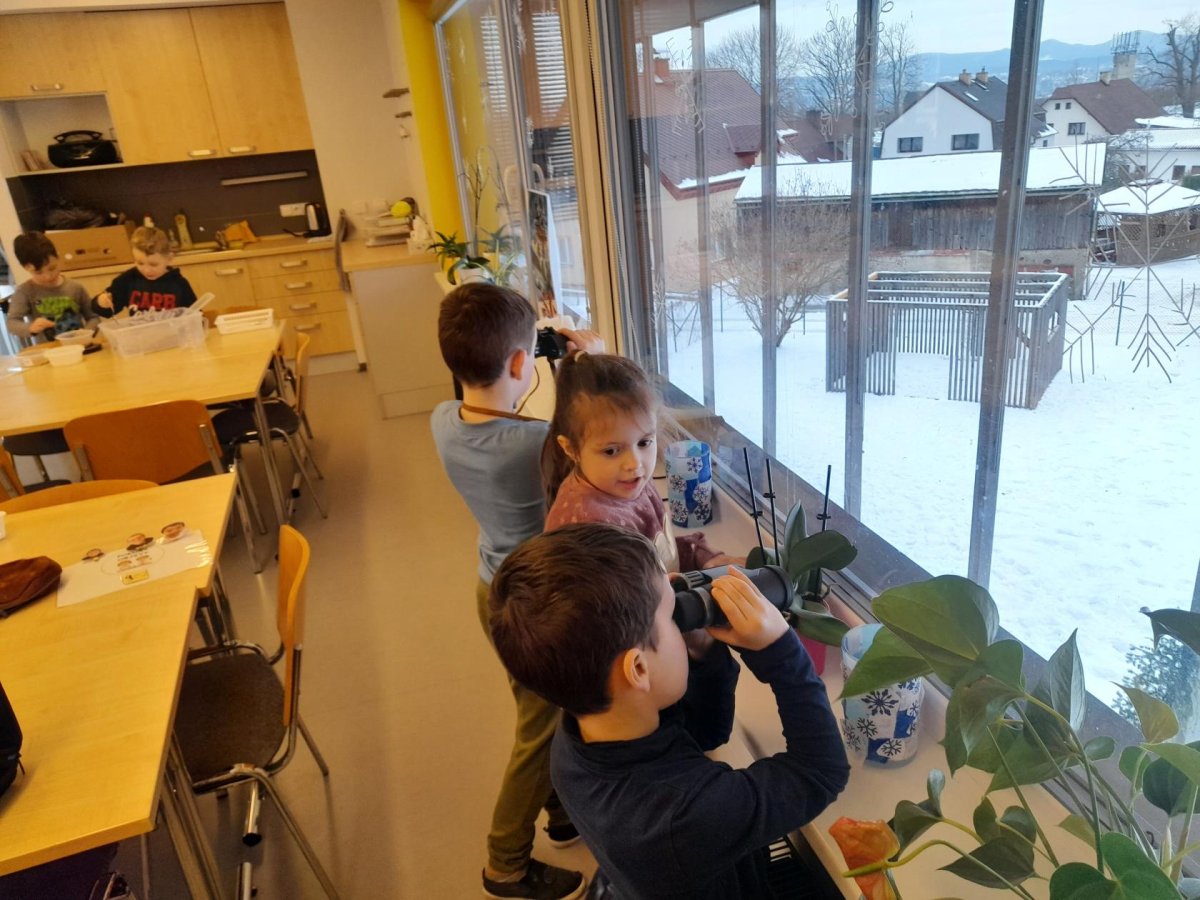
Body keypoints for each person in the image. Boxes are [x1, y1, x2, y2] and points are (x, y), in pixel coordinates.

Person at [489, 524, 851, 900]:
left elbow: (705, 736)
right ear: (638, 669)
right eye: (671, 615)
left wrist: (703, 652)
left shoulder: (579, 737)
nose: (682, 617)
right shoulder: (681, 817)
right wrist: (780, 651)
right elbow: (821, 773)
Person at [431, 282, 601, 900]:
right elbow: (578, 442)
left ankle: (559, 811)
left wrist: (535, 357)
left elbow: (517, 417)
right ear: (519, 361)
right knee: (541, 727)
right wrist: (583, 368)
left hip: (490, 586)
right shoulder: (530, 447)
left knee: (535, 704)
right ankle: (504, 863)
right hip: (535, 599)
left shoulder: (443, 421)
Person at [542, 351, 730, 573]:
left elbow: (658, 552)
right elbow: (636, 592)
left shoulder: (628, 483)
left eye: (644, 442)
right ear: (570, 449)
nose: (634, 463)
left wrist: (704, 558)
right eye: (611, 451)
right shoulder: (589, 531)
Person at [5, 232, 98, 341]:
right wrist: (30, 328)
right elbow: (12, 323)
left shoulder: (75, 287)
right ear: (25, 268)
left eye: (52, 268)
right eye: (38, 272)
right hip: (48, 349)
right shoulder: (25, 291)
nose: (48, 277)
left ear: (58, 257)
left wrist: (87, 332)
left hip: (79, 345)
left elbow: (93, 317)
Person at [94, 226, 196, 316]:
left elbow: (194, 314)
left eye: (153, 264)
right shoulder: (128, 280)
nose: (147, 270)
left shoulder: (178, 283)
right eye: (140, 263)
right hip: (140, 332)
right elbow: (108, 311)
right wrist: (101, 302)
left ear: (169, 259)